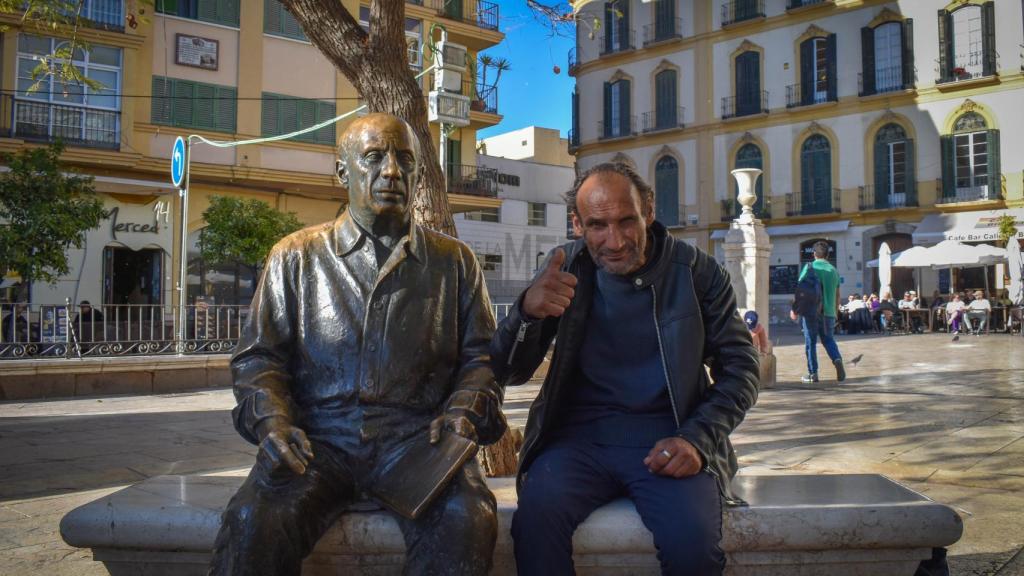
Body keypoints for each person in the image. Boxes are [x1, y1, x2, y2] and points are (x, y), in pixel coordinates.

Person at [208, 114, 505, 576]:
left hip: (418, 443)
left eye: (405, 160)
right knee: (254, 520)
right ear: (344, 172)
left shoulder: (454, 262)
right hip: (319, 442)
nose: (391, 171)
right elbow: (259, 358)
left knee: (466, 517)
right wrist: (273, 421)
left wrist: (463, 411)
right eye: (374, 158)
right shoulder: (295, 255)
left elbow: (481, 358)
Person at [490, 163, 758, 576]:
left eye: (626, 221)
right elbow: (508, 372)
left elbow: (741, 370)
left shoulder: (699, 273)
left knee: (694, 547)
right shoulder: (564, 268)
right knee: (535, 524)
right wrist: (526, 314)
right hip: (577, 445)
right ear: (577, 224)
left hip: (672, 441)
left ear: (648, 211)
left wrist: (698, 440)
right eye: (597, 225)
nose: (614, 241)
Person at [790, 241, 844, 383]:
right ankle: (837, 359)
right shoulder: (833, 270)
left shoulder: (809, 267)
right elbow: (838, 295)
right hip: (829, 313)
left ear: (814, 253)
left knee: (811, 342)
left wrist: (794, 309)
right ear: (828, 254)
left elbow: (800, 291)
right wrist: (836, 312)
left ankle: (813, 374)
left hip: (811, 313)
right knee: (828, 340)